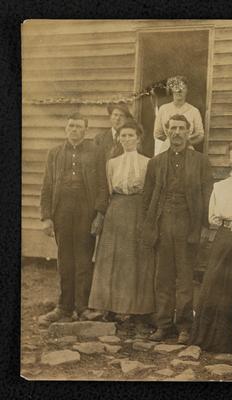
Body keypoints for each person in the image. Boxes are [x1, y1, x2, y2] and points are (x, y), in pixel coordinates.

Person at [142, 114, 213, 344]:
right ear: (167, 131)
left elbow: (206, 195)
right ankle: (163, 325)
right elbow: (147, 197)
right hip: (163, 223)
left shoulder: (200, 161)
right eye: (173, 128)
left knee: (185, 277)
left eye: (182, 128)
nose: (177, 132)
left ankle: (184, 326)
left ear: (188, 132)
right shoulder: (156, 162)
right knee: (162, 276)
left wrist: (203, 225)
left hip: (187, 223)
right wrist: (150, 225)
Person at [38, 113, 107, 326]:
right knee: (65, 259)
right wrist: (46, 217)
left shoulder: (95, 152)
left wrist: (99, 214)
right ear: (66, 129)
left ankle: (83, 307)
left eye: (79, 126)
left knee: (84, 260)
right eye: (71, 126)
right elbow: (47, 186)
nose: (74, 130)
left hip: (86, 212)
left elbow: (103, 186)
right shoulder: (55, 154)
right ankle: (64, 307)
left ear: (85, 130)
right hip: (62, 212)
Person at [87, 120, 154, 334]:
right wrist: (102, 216)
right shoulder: (112, 163)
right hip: (116, 211)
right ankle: (111, 309)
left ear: (138, 138)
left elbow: (149, 193)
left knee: (136, 260)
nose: (126, 139)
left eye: (130, 135)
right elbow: (107, 192)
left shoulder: (148, 163)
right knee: (112, 259)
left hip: (137, 210)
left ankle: (138, 312)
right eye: (123, 136)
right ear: (119, 138)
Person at [190, 142, 232, 353]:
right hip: (224, 237)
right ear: (228, 160)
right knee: (215, 284)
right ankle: (211, 338)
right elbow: (213, 217)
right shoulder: (220, 186)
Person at [153, 75, 204, 154]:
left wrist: (185, 142)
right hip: (167, 148)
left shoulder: (194, 111)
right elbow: (157, 133)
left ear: (187, 90)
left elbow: (200, 134)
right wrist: (172, 141)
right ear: (172, 90)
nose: (179, 91)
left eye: (182, 88)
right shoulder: (163, 109)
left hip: (187, 148)